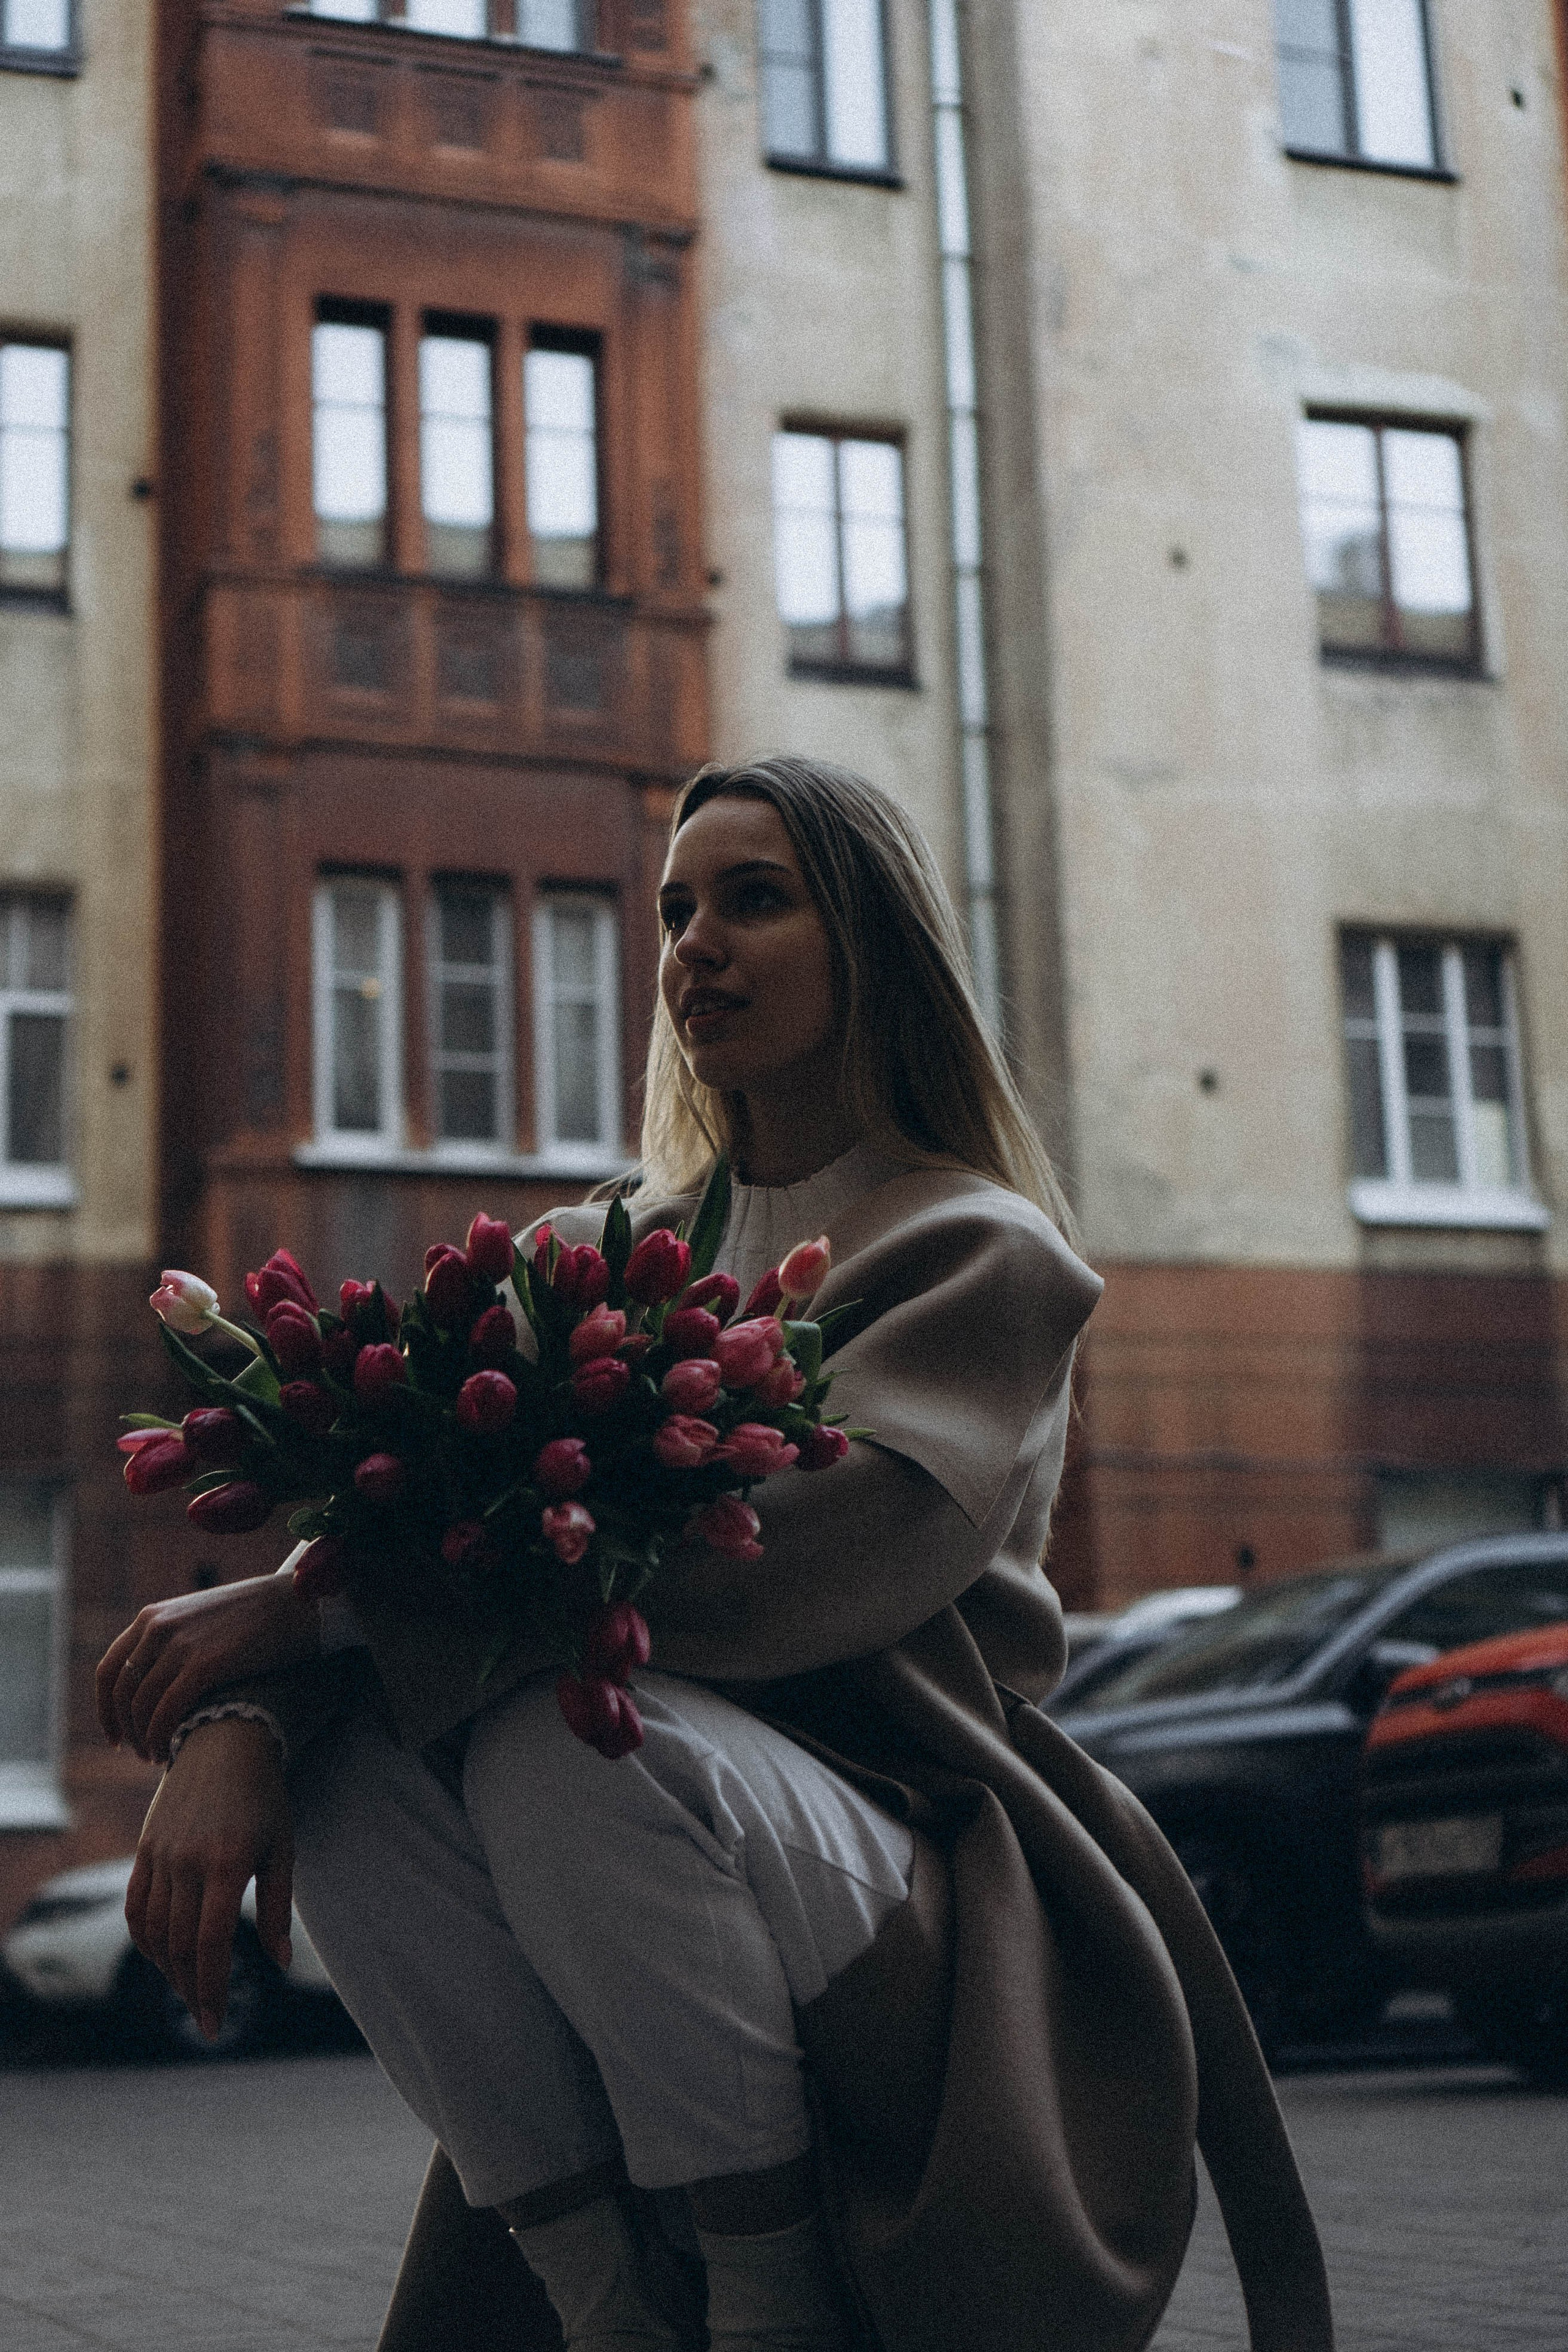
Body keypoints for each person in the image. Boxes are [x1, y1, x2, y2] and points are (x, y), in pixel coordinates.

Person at [99, 758, 1333, 2352]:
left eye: (757, 898)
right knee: (358, 1767)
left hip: (909, 1841)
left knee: (569, 1727)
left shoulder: (980, 1254)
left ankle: (768, 2302)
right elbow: (380, 1525)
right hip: (657, 1841)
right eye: (678, 909)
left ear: (875, 941)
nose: (696, 945)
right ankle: (607, 2304)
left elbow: (773, 1577)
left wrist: (297, 1621)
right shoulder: (578, 1255)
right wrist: (245, 1726)